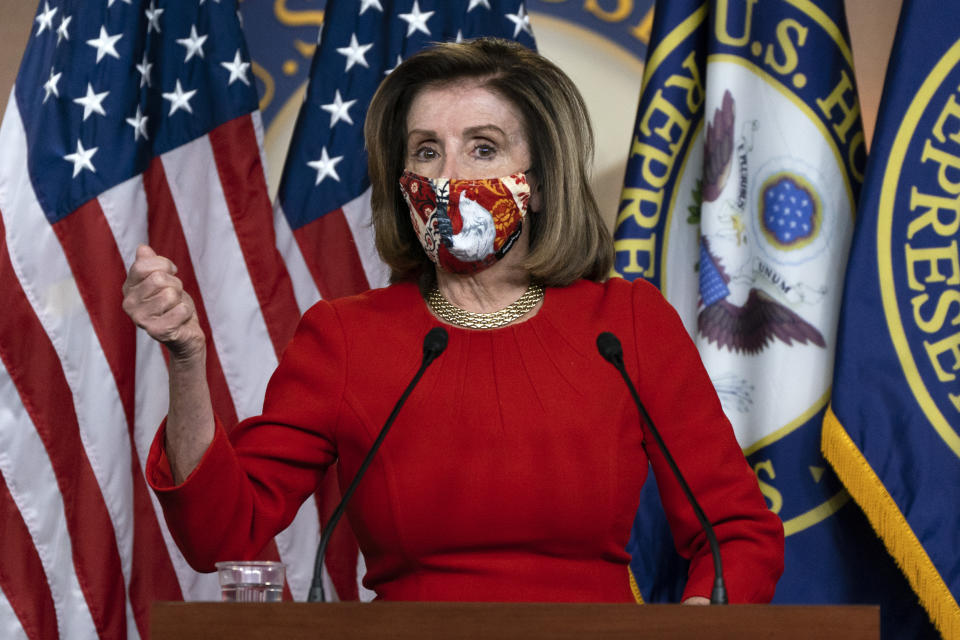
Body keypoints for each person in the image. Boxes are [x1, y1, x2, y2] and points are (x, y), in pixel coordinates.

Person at [122, 38, 783, 604]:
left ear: (542, 179)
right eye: (427, 152)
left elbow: (736, 533)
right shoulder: (346, 338)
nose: (449, 178)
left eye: (484, 148)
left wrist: (703, 623)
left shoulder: (626, 327)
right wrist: (185, 361)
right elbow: (220, 535)